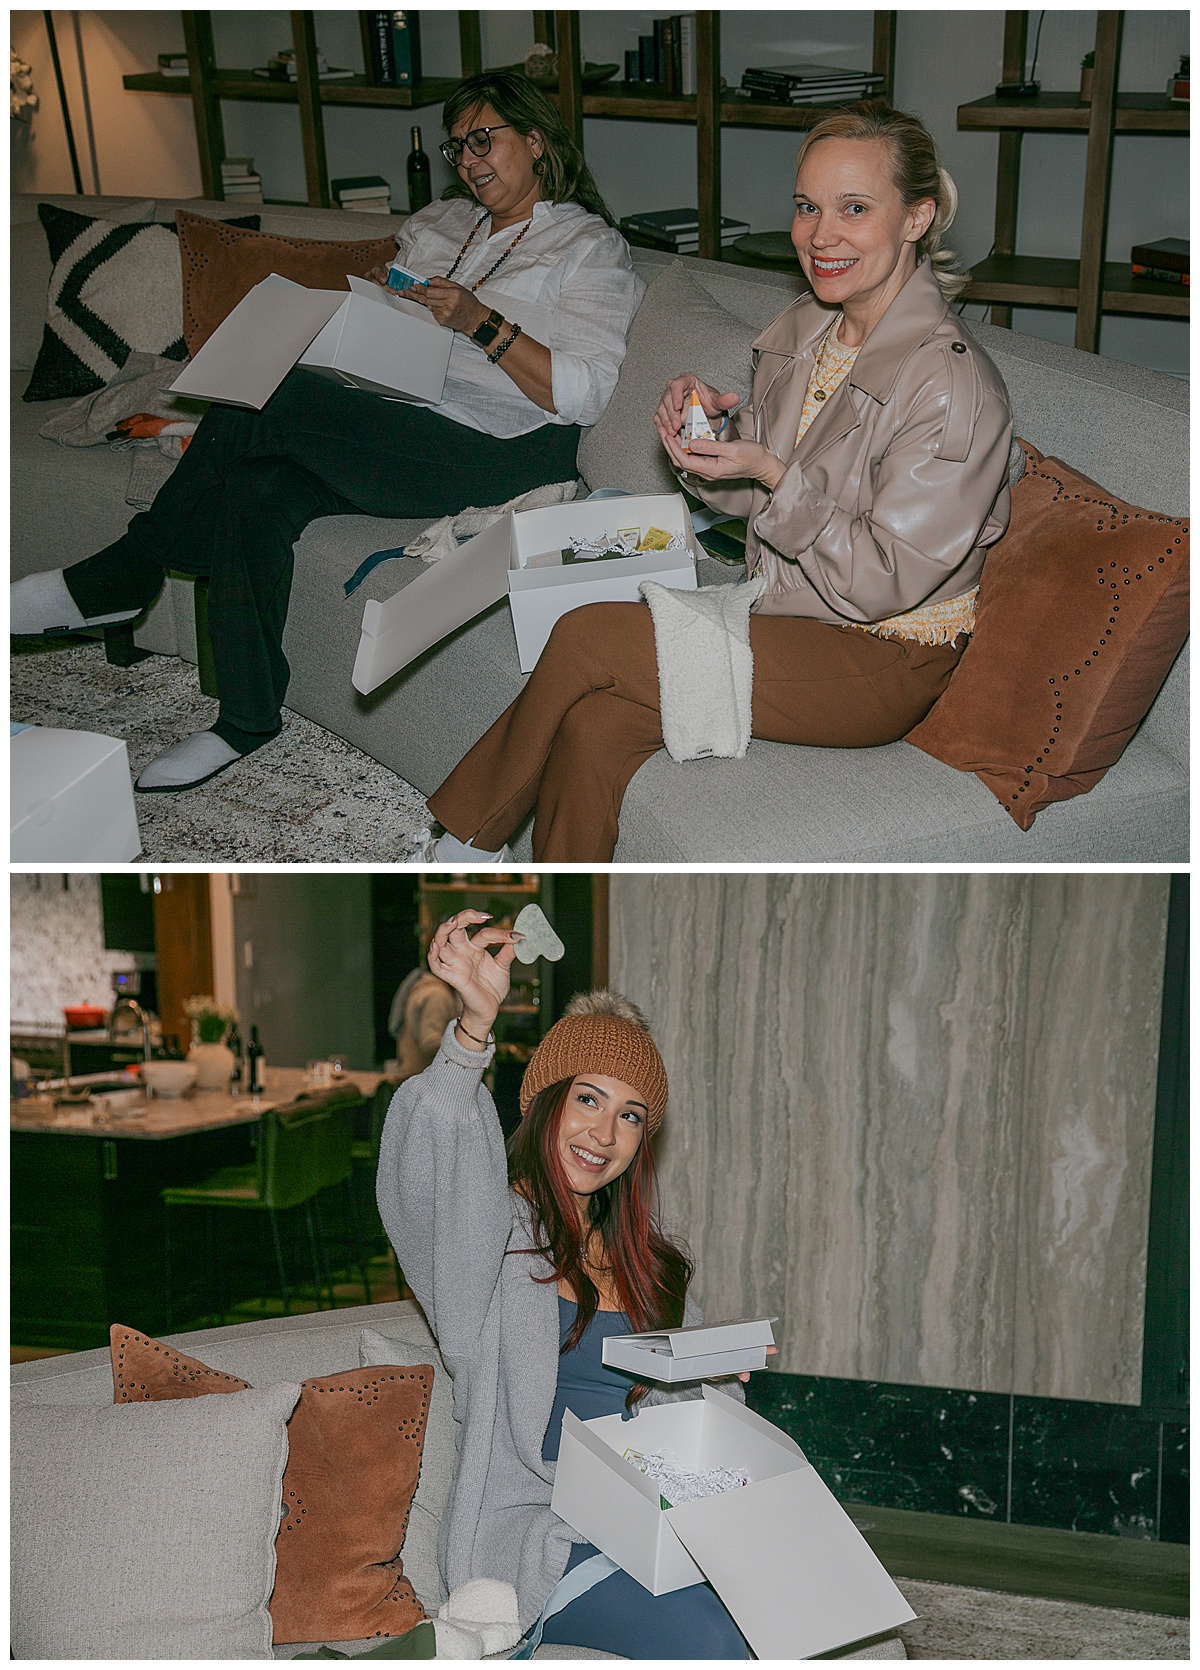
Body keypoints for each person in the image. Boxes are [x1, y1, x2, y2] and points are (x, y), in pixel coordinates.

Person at [10, 72, 643, 794]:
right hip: (399, 415)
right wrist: (377, 298)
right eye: (457, 147)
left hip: (500, 446)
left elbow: (586, 392)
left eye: (483, 140)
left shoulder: (589, 248)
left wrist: (481, 321)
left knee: (276, 390)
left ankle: (127, 570)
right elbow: (397, 312)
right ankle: (245, 717)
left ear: (534, 140)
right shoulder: (441, 222)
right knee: (256, 487)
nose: (469, 161)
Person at [422, 102, 1014, 863]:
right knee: (593, 724)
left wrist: (771, 470)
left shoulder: (952, 384)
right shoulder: (810, 327)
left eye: (854, 209)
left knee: (584, 634)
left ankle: (462, 846)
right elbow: (754, 502)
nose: (820, 236)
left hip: (884, 655)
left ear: (916, 218)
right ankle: (559, 910)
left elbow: (882, 580)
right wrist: (708, 444)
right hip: (787, 610)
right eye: (807, 207)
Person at [376, 910, 764, 1658]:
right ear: (547, 1099)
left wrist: (705, 1382)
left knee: (787, 1604)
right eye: (588, 1099)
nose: (604, 1134)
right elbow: (421, 1181)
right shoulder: (491, 1235)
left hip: (651, 1518)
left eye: (630, 1116)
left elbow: (694, 1434)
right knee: (718, 1637)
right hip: (541, 1534)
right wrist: (470, 1038)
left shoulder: (650, 1263)